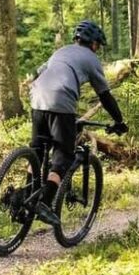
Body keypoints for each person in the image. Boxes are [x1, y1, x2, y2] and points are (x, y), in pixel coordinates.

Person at [28, 20, 127, 226]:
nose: (97, 49)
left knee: (37, 150)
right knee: (63, 155)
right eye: (98, 45)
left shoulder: (62, 51)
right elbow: (105, 96)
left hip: (37, 96)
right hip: (61, 99)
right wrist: (118, 121)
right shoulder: (91, 59)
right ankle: (45, 202)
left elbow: (38, 72)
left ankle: (25, 195)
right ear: (93, 44)